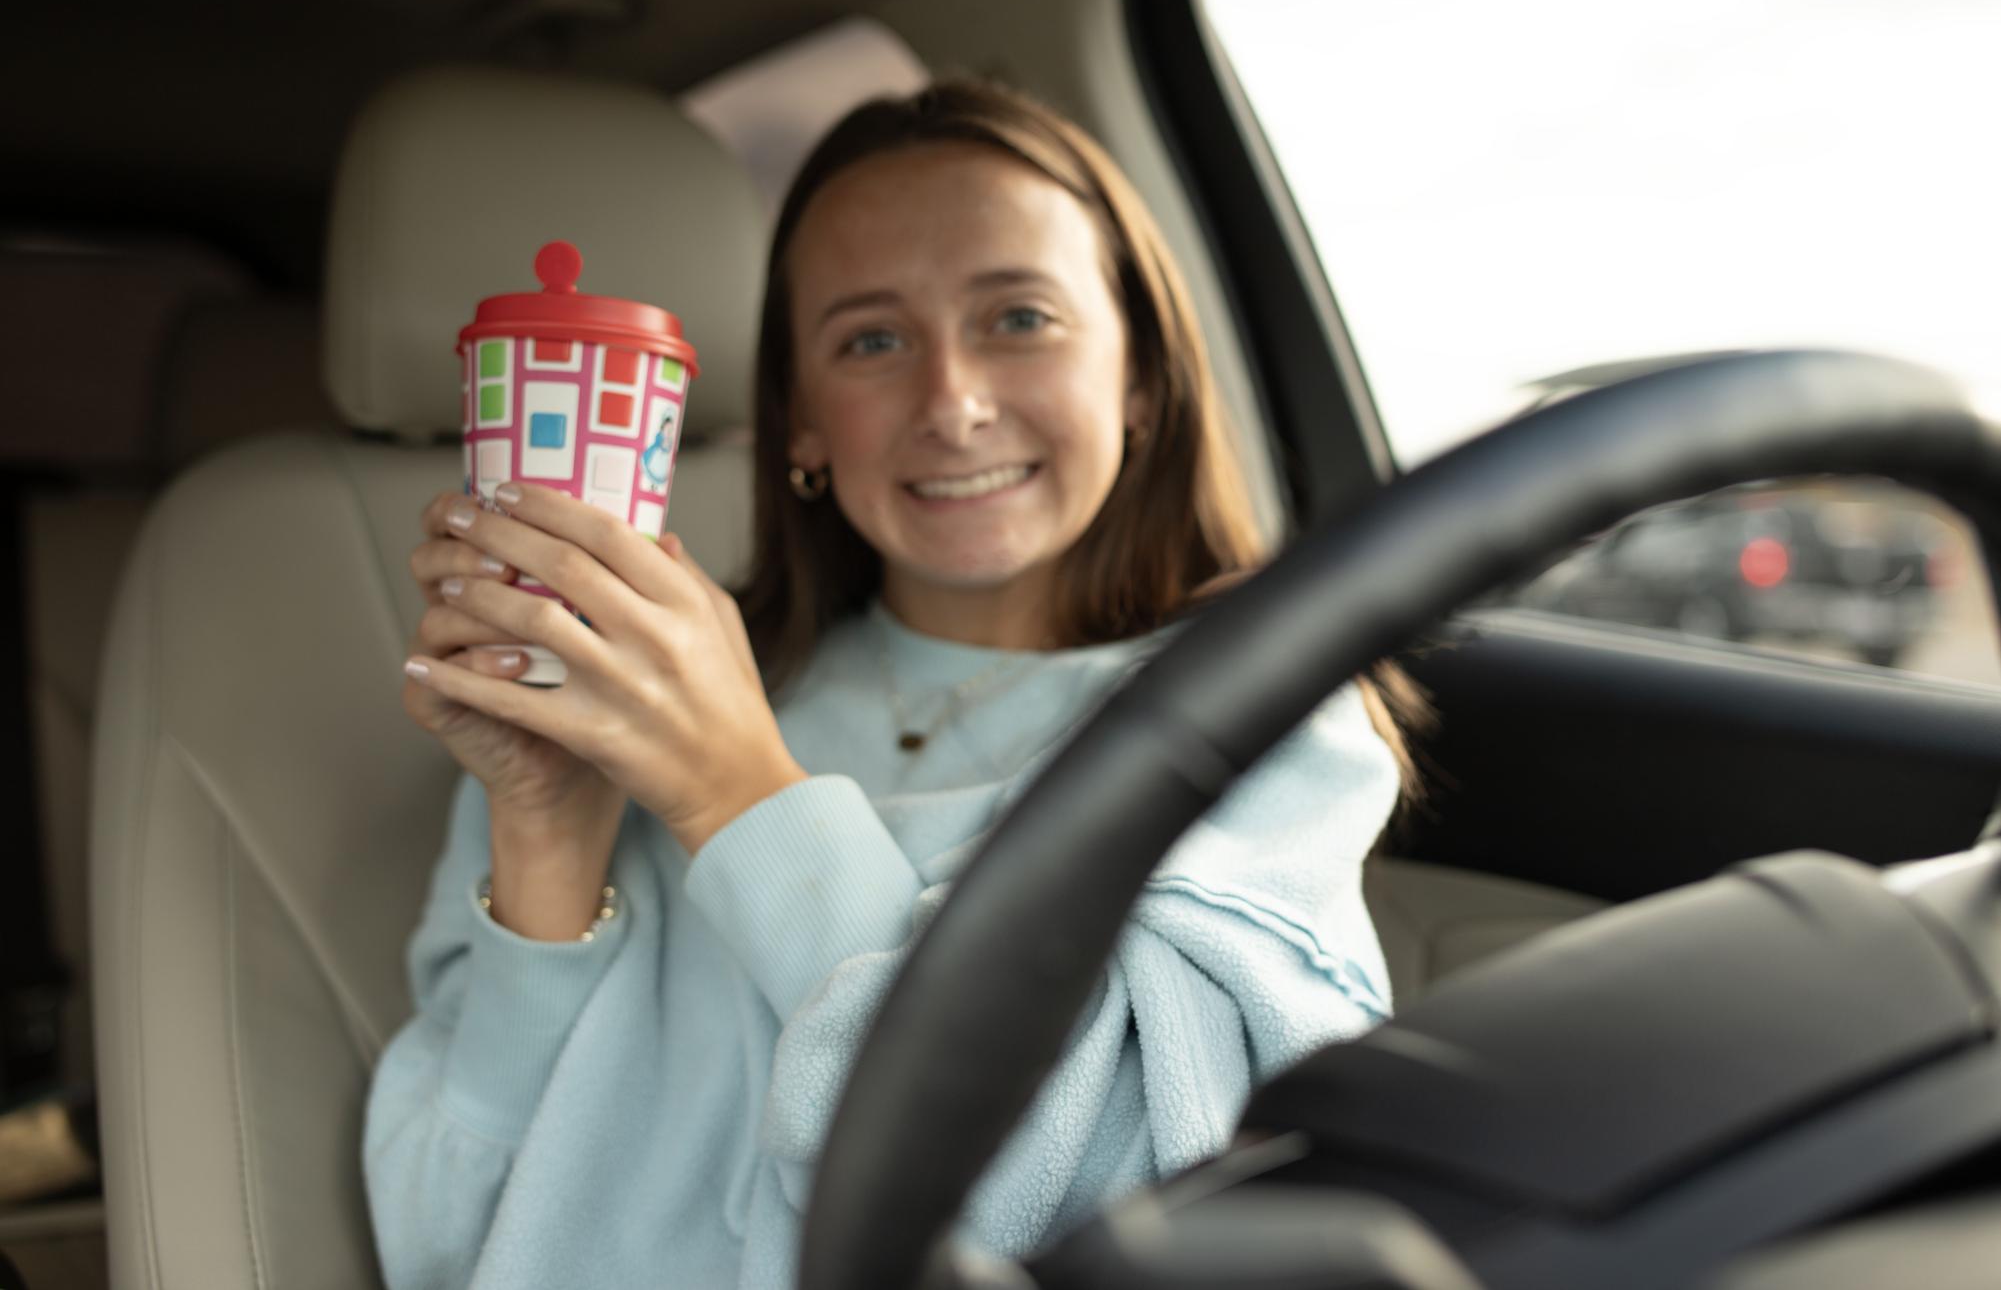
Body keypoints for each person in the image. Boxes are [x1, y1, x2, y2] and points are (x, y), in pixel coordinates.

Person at [369, 79, 1421, 1290]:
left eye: (1020, 318)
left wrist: (737, 797)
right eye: (872, 340)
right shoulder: (623, 696)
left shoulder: (1260, 725)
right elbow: (446, 1233)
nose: (952, 402)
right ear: (802, 423)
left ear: (1138, 378)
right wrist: (548, 830)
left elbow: (1092, 1199)